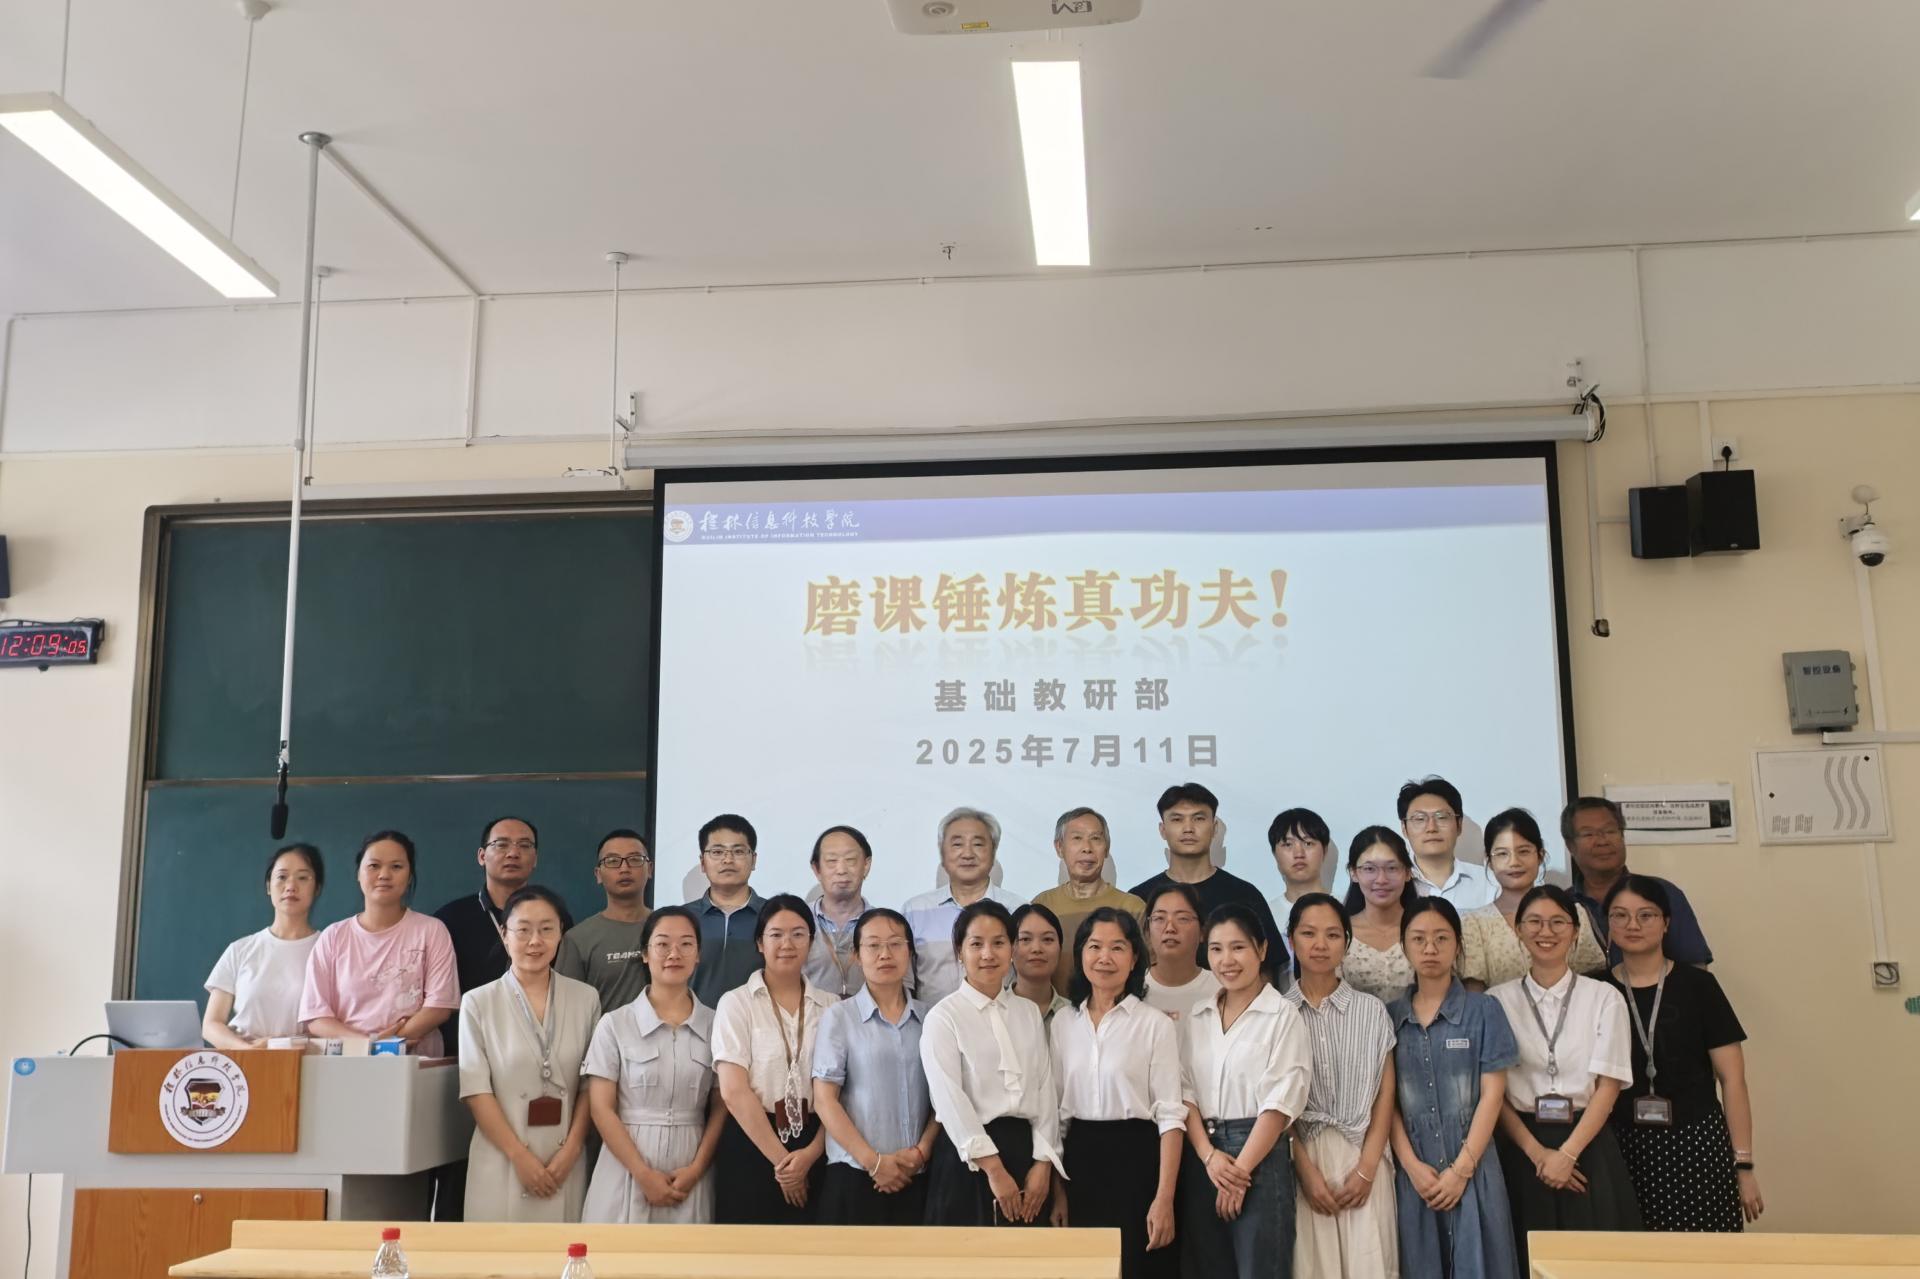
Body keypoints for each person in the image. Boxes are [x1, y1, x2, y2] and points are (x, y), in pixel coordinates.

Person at [1489, 886, 1641, 1270]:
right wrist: (1540, 1155)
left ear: (1575, 931)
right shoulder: (1496, 1001)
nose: (1546, 931)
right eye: (1534, 922)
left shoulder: (1604, 997)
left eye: (1558, 922)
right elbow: (1494, 1093)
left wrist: (1567, 1155)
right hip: (1522, 1147)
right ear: (1518, 930)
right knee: (1525, 1260)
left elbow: (1608, 1087)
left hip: (1587, 1144)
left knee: (1593, 1264)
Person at [1602, 876, 1761, 1232]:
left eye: (1646, 915)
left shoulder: (1699, 986)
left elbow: (1733, 1080)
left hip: (1696, 1144)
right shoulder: (1595, 988)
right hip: (1619, 1147)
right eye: (1620, 915)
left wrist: (1744, 1166)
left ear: (1666, 923)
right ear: (1608, 925)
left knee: (1703, 1254)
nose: (1632, 925)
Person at [1387, 898, 1521, 1279]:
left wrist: (1461, 1170)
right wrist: (1412, 1168)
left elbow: (1493, 1095)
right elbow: (1387, 1104)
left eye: (1441, 938)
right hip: (1416, 1174)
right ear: (1404, 945)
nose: (1430, 948)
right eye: (1419, 939)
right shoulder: (1390, 1017)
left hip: (1474, 1167)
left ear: (1458, 945)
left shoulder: (1484, 1010)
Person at [1177, 904, 1311, 1279]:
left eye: (1238, 947)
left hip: (1259, 1157)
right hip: (1204, 1155)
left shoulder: (1282, 1015)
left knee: (1260, 1269)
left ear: (1261, 949)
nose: (1227, 960)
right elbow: (1185, 1093)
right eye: (1216, 949)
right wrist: (1209, 1157)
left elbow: (1279, 1104)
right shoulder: (1199, 1015)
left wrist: (1239, 1174)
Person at [1050, 908, 1184, 1279]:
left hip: (1138, 1163)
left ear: (1134, 958)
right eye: (1094, 946)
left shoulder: (1155, 1024)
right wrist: (1058, 1192)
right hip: (1079, 1163)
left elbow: (1171, 1117)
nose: (1104, 957)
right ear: (1080, 954)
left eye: (1117, 947)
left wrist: (1164, 1198)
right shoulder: (1063, 1023)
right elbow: (1056, 1116)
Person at [457, 885, 600, 1222]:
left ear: (561, 933)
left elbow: (591, 1085)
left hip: (564, 1160)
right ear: (504, 934)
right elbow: (476, 1091)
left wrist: (572, 1150)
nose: (535, 941)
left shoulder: (585, 998)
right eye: (523, 930)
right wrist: (519, 1157)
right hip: (502, 1159)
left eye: (546, 929)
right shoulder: (479, 1002)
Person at [920, 899, 1062, 1226]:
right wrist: (993, 1169)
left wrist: (1043, 1163)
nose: (988, 954)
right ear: (959, 951)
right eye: (976, 944)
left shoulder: (1027, 1012)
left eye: (998, 943)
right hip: (968, 1158)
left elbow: (1045, 1089)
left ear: (1012, 949)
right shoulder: (944, 1016)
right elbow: (949, 1099)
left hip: (1025, 1153)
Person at [581, 906, 727, 1224]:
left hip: (690, 1164)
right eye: (662, 944)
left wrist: (697, 1169)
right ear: (645, 954)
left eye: (686, 944)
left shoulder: (717, 1024)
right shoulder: (615, 1024)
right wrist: (642, 1174)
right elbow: (601, 1109)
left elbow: (721, 1106)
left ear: (698, 955)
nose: (674, 953)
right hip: (626, 1163)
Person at [1284, 893, 1399, 1278]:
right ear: (1291, 940)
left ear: (1347, 943)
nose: (1320, 944)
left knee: (1371, 1264)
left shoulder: (1372, 1010)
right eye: (1308, 933)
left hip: (1365, 1155)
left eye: (1333, 934)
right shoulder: (1277, 1014)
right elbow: (1275, 1106)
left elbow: (1385, 1096)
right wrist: (1305, 1172)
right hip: (1303, 1159)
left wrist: (1366, 1169)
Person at [711, 893, 839, 1223]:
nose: (787, 944)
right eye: (776, 934)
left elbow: (843, 1091)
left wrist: (810, 1154)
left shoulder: (833, 1006)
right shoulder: (736, 1003)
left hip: (819, 1142)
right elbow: (733, 1091)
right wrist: (785, 1165)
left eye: (798, 934)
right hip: (753, 1140)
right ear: (759, 943)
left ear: (811, 942)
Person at [811, 907, 939, 1225]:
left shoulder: (932, 1018)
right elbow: (825, 1100)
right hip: (855, 1173)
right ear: (857, 955)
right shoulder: (840, 1016)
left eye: (895, 944)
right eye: (873, 945)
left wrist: (922, 1150)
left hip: (918, 1173)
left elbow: (944, 1097)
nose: (885, 954)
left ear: (910, 952)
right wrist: (874, 1162)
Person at [301, 830, 459, 1054]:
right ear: (358, 873)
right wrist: (369, 1046)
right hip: (348, 1062)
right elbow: (316, 1016)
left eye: (396, 866)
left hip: (416, 1063)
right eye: (374, 866)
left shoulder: (431, 930)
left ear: (410, 876)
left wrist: (388, 1045)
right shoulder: (333, 936)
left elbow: (439, 1006)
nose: (384, 875)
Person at [1131, 783, 1283, 985]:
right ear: (1163, 830)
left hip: (1231, 1004)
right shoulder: (1139, 898)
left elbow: (1268, 970)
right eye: (1177, 819)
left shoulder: (1245, 895)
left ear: (1214, 827)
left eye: (1199, 818)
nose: (1188, 828)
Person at [435, 817, 571, 1038]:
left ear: (535, 858)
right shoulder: (449, 919)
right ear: (482, 856)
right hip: (468, 1040)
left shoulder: (554, 918)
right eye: (501, 844)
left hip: (544, 1038)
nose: (513, 853)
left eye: (524, 845)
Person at [1460, 809, 1605, 991]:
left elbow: (1592, 982)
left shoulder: (1574, 913)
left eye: (1524, 851)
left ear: (1540, 855)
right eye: (1502, 854)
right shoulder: (1474, 924)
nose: (1514, 862)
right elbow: (1474, 997)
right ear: (1489, 861)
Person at [203, 843, 326, 1049]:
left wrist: (278, 1045)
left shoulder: (328, 949)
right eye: (282, 877)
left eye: (303, 878)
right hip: (243, 1061)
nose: (290, 886)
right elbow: (211, 1025)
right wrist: (249, 1050)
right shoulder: (240, 949)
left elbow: (334, 1026)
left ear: (317, 889)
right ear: (269, 886)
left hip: (305, 1060)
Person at [1563, 798, 1713, 965]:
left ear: (1622, 836)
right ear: (1570, 845)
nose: (1602, 841)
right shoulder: (1562, 904)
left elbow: (1695, 967)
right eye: (1589, 834)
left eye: (1610, 831)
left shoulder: (1661, 892)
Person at [903, 807, 1025, 1006]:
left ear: (993, 851)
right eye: (957, 844)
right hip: (931, 1022)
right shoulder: (914, 911)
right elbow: (904, 984)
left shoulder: (1017, 909)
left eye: (978, 844)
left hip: (1002, 1021)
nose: (967, 854)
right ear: (943, 852)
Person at [1030, 807, 1146, 993]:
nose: (1087, 848)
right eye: (1077, 838)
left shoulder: (1132, 907)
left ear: (1106, 848)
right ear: (1059, 847)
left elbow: (1145, 972)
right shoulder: (1043, 905)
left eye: (1096, 839)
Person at [557, 829, 654, 1015]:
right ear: (598, 874)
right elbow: (566, 1010)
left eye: (635, 859)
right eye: (612, 861)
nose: (624, 868)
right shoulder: (578, 939)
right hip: (601, 1034)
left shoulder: (670, 929)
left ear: (649, 869)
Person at [684, 814, 769, 1008]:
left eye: (738, 851)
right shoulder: (681, 919)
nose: (728, 859)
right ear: (703, 862)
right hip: (693, 1023)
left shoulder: (773, 917)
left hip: (758, 1023)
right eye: (717, 852)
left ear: (753, 860)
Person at [1340, 827, 1418, 1004]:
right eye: (1369, 869)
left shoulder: (1426, 929)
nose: (1381, 879)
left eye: (1392, 868)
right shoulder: (1340, 933)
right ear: (1353, 873)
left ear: (1407, 873)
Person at [1399, 777, 1497, 911]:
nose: (1431, 828)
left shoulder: (1490, 883)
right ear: (1404, 828)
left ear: (1459, 825)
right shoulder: (1391, 883)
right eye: (1420, 819)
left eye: (1442, 817)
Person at [805, 826, 876, 999]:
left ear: (866, 865)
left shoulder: (882, 924)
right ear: (817, 869)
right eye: (831, 861)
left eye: (850, 860)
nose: (841, 870)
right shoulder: (797, 921)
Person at [1141, 884, 1221, 1021]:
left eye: (1182, 918)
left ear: (1203, 931)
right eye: (1159, 918)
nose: (1170, 928)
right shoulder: (1132, 988)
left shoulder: (1222, 990)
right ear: (1147, 931)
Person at [1269, 808, 1333, 958]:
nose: (1299, 854)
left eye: (1308, 843)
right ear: (1274, 854)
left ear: (1324, 850)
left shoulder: (1345, 907)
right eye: (1287, 844)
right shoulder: (1266, 914)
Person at [1010, 902, 1071, 1024]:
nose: (1037, 949)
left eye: (1047, 939)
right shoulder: (995, 1011)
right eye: (1025, 939)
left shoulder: (1076, 1015)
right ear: (1009, 949)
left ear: (1060, 949)